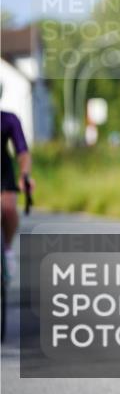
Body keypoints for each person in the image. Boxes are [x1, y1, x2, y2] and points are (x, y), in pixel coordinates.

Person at [1, 109, 33, 273]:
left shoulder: (8, 120)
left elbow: (22, 153)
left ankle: (6, 249)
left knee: (8, 209)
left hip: (3, 172)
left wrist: (24, 175)